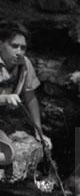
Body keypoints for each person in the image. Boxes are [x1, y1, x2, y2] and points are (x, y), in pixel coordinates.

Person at [0, 22, 51, 167]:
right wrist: (5, 98)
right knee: (6, 156)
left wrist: (39, 131)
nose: (19, 52)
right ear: (1, 44)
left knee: (9, 155)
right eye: (14, 46)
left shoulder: (24, 64)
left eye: (23, 48)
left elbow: (30, 97)